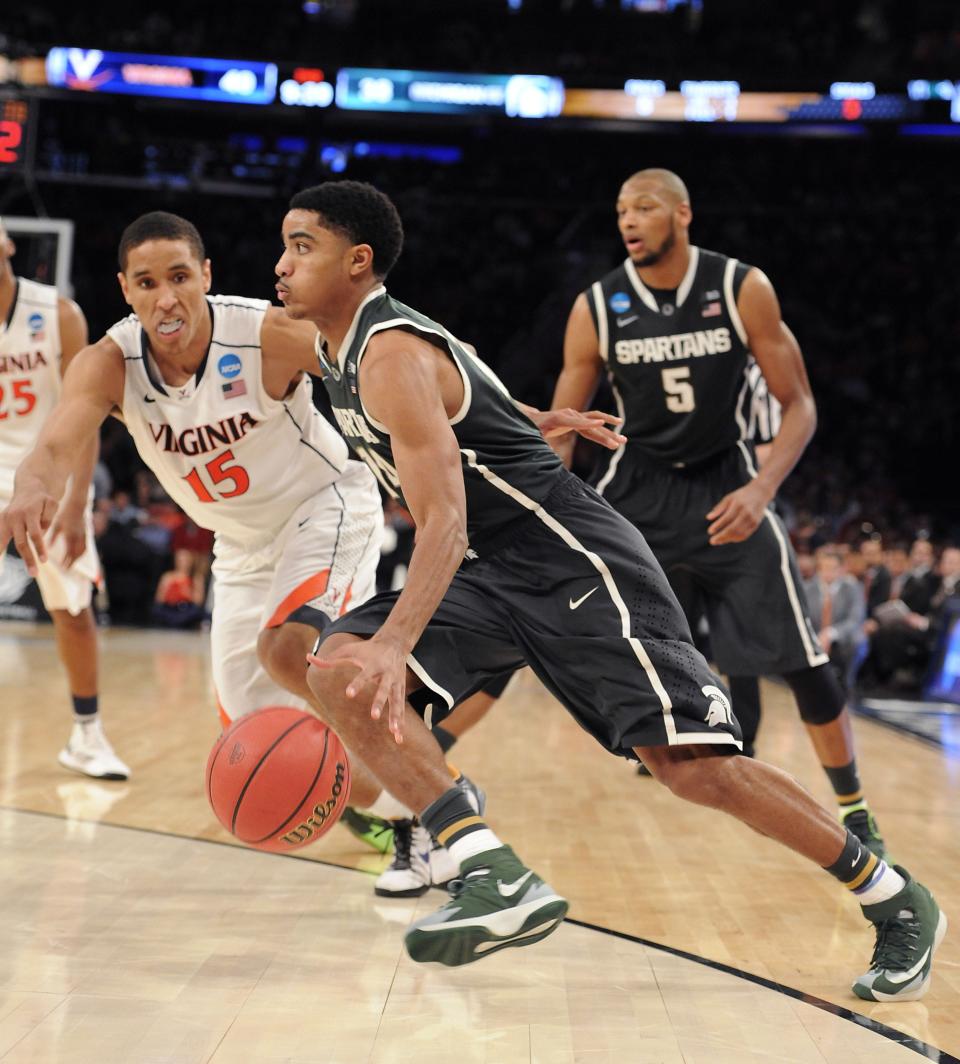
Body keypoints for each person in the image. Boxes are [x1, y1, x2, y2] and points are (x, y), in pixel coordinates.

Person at [274, 179, 942, 999]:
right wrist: (531, 419)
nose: (282, 265)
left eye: (301, 246)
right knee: (335, 666)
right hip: (490, 567)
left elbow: (441, 519)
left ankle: (892, 895)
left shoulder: (389, 355)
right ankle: (492, 871)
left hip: (566, 555)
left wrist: (399, 640)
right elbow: (465, 390)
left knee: (694, 768)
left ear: (357, 260)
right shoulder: (340, 349)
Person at [0, 210, 613, 889]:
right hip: (237, 545)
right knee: (272, 746)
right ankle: (421, 801)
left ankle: (443, 820)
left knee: (288, 651)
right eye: (146, 283)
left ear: (206, 275)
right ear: (124, 289)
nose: (165, 297)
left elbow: (408, 360)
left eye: (179, 276)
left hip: (324, 505)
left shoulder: (265, 334)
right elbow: (57, 441)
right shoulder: (110, 362)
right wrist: (31, 486)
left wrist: (514, 410)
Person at [551, 168, 887, 860]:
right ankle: (436, 790)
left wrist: (762, 489)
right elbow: (562, 421)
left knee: (803, 661)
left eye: (644, 207)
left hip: (726, 487)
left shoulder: (741, 287)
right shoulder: (598, 305)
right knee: (562, 630)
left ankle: (854, 807)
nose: (629, 220)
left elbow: (800, 405)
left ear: (683, 214)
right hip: (636, 492)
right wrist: (540, 503)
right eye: (620, 210)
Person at [0, 216, 128, 780]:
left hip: (45, 471)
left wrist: (77, 504)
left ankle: (87, 734)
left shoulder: (57, 313)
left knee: (72, 609)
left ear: (6, 244)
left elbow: (87, 409)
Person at [802, 547, 866, 693]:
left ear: (842, 569)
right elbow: (802, 617)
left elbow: (854, 620)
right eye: (824, 568)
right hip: (814, 634)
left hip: (840, 635)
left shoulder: (853, 588)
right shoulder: (806, 588)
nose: (827, 572)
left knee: (857, 638)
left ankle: (846, 682)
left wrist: (830, 633)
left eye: (832, 568)